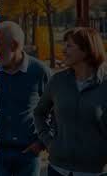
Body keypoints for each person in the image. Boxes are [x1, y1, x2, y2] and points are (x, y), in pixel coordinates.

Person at [34, 27, 107, 176]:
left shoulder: (104, 85)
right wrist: (49, 142)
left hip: (94, 171)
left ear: (87, 50)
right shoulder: (58, 81)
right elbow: (39, 113)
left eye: (69, 46)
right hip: (57, 169)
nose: (63, 50)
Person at [0, 21, 51, 176]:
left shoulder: (40, 72)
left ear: (13, 46)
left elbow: (58, 111)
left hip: (28, 155)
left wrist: (42, 142)